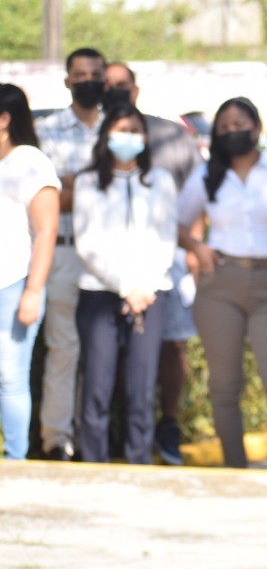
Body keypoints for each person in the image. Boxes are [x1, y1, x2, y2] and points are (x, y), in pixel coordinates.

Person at [178, 97, 267, 471]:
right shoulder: (206, 175)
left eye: (239, 124)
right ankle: (235, 469)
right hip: (220, 283)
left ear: (257, 127)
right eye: (224, 127)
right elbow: (177, 223)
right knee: (225, 385)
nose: (232, 132)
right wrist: (197, 247)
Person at [105, 60, 202, 465]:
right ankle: (117, 430)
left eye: (122, 84)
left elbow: (197, 195)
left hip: (166, 262)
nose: (115, 91)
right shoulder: (96, 137)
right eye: (108, 85)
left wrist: (192, 251)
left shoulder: (170, 135)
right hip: (107, 267)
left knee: (170, 345)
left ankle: (168, 423)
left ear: (136, 89)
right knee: (113, 351)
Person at [73, 103, 178, 464]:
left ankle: (139, 462)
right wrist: (124, 286)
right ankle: (94, 463)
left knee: (141, 387)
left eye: (134, 131)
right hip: (100, 292)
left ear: (145, 137)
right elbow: (87, 244)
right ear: (106, 136)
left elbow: (167, 239)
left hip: (150, 295)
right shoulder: (88, 181)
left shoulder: (160, 180)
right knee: (97, 385)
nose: (127, 138)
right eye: (120, 130)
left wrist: (143, 287)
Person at [35, 47, 107, 460]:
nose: (88, 81)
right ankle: (56, 439)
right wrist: (91, 186)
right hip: (63, 252)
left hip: (107, 259)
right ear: (67, 81)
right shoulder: (47, 132)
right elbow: (46, 200)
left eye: (95, 74)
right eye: (80, 75)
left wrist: (73, 185)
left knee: (100, 352)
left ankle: (93, 440)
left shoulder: (117, 129)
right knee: (64, 348)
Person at [0, 85, 60, 460]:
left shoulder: (30, 162)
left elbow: (47, 230)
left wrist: (33, 290)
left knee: (9, 377)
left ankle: (14, 460)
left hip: (14, 283)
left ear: (4, 119)